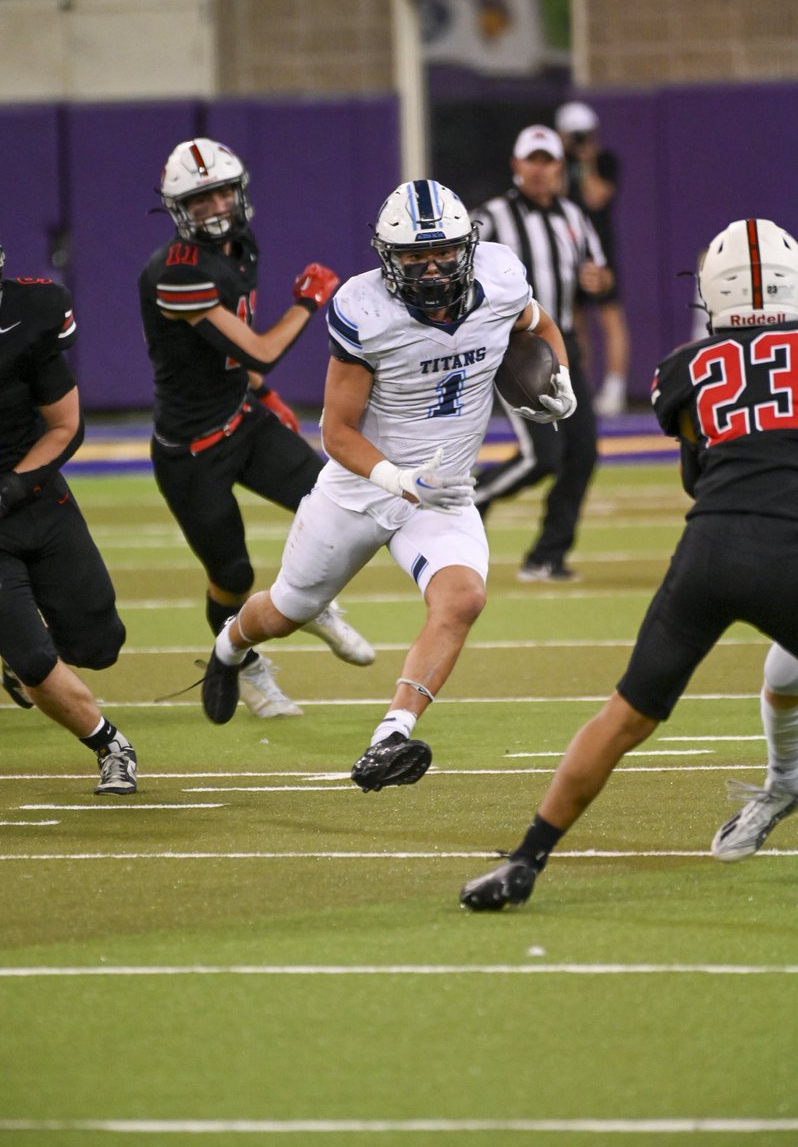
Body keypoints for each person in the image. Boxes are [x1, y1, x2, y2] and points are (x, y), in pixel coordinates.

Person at [460, 217, 798, 911]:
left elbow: (696, 476)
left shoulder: (683, 369)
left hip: (707, 555)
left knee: (624, 716)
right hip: (790, 551)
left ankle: (526, 860)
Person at [200, 179, 575, 791]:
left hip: (445, 491)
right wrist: (401, 480)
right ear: (387, 258)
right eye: (413, 257)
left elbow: (539, 328)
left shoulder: (503, 278)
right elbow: (337, 431)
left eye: (444, 253)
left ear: (469, 247)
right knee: (288, 609)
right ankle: (227, 650)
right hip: (361, 489)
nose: (431, 269)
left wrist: (558, 381)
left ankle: (391, 736)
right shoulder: (365, 309)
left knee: (463, 600)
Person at [138, 137, 374, 720]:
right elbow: (262, 348)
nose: (217, 207)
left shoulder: (242, 245)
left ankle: (306, 598)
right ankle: (248, 671)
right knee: (232, 575)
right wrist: (308, 302)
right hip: (192, 452)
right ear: (177, 209)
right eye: (200, 199)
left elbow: (232, 353)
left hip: (242, 417)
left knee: (331, 504)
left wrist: (261, 393)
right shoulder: (174, 273)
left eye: (223, 192)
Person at [0, 244, 138, 795]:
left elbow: (66, 425)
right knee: (34, 658)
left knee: (100, 642)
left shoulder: (27, 316)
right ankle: (110, 746)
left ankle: (25, 656)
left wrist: (13, 483)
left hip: (36, 499)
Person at [470, 124, 612, 581]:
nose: (540, 169)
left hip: (563, 342)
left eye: (548, 160)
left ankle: (547, 555)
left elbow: (601, 276)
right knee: (543, 455)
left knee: (583, 453)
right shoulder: (490, 218)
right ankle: (473, 496)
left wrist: (599, 282)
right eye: (532, 159)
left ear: (558, 167)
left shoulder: (574, 216)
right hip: (513, 347)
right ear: (516, 165)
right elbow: (456, 270)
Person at [555, 100, 632, 417]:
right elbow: (554, 197)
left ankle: (614, 390)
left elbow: (595, 196)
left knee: (610, 317)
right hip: (567, 250)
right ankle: (582, 388)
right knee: (576, 321)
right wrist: (560, 158)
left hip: (599, 251)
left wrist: (586, 162)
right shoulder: (556, 163)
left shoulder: (604, 161)